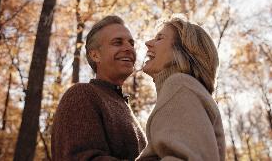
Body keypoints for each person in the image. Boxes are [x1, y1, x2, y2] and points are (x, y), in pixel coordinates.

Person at [51, 15, 147, 160]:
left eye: (131, 43)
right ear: (95, 55)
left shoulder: (123, 105)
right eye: (117, 42)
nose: (129, 48)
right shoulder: (81, 95)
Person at [137, 18, 226, 161]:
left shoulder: (180, 85)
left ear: (183, 50)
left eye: (159, 38)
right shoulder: (185, 90)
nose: (148, 43)